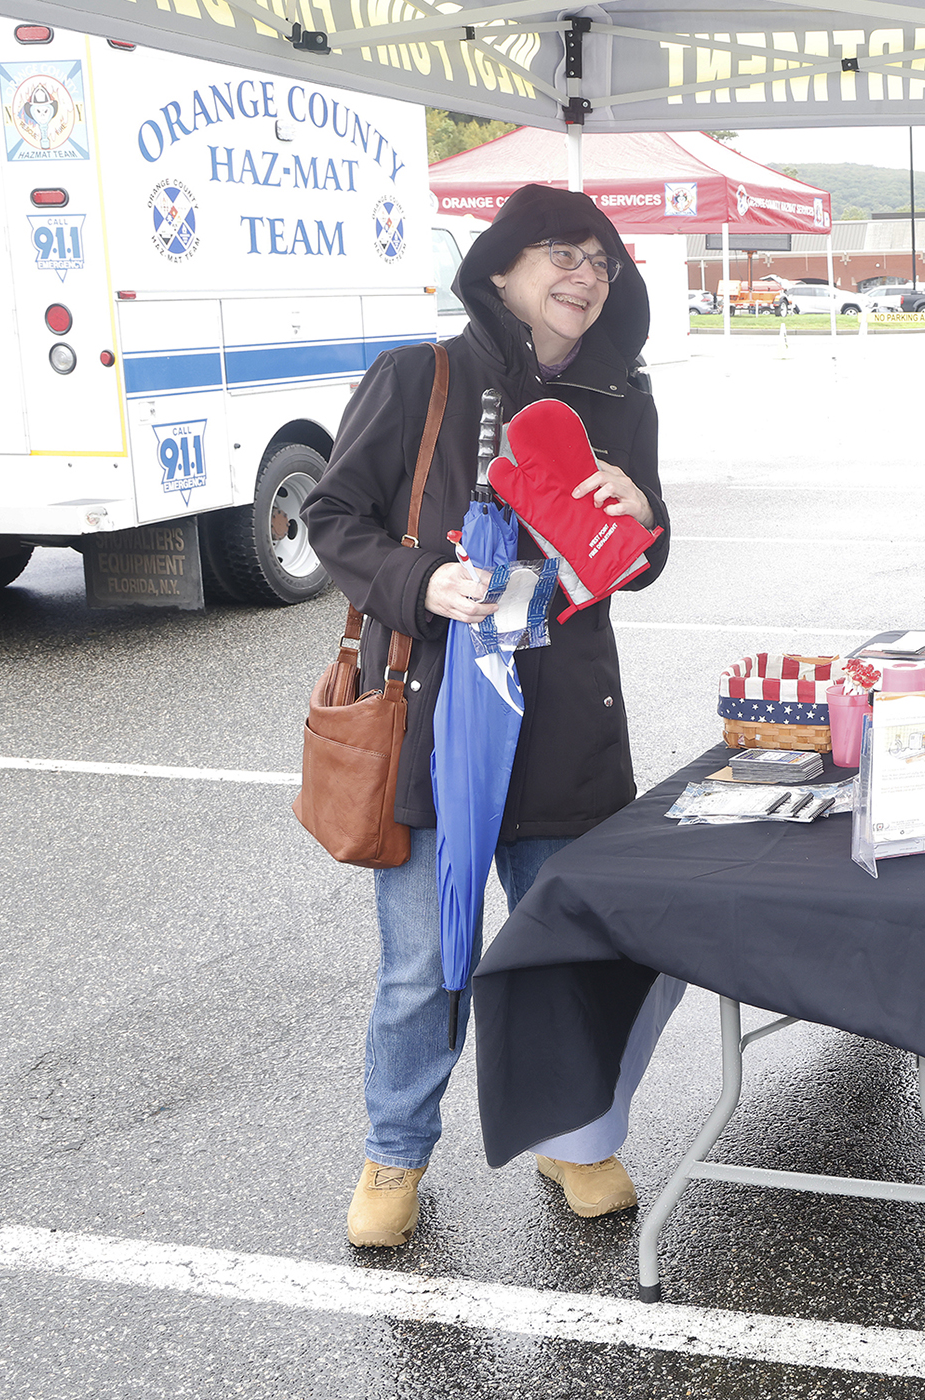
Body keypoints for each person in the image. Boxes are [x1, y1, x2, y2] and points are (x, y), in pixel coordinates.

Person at [305, 183, 680, 1248]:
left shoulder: (623, 397)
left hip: (567, 724)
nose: (586, 275)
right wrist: (420, 580)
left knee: (566, 954)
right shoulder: (418, 377)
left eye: (603, 261)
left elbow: (638, 556)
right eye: (562, 252)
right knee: (423, 964)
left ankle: (573, 1135)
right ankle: (395, 1151)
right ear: (502, 268)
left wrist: (648, 517)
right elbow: (333, 516)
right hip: (438, 721)